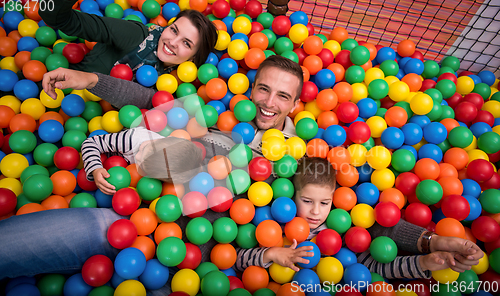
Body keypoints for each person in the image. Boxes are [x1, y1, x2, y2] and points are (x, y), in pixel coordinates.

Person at [0, 56, 482, 288]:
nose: (270, 103)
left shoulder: (306, 153)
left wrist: (429, 241)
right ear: (251, 90)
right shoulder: (228, 128)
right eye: (263, 90)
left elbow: (365, 220)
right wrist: (92, 80)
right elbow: (155, 104)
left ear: (298, 104)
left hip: (209, 264)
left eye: (283, 96)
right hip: (132, 224)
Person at [234, 157, 478, 281]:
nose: (316, 212)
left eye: (324, 203)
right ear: (291, 195)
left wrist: (423, 264)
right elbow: (238, 258)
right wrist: (273, 254)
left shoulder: (341, 231)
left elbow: (374, 268)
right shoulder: (274, 226)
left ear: (334, 200)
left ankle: (435, 242)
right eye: (307, 201)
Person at [39, 0, 217, 109]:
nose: (172, 42)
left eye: (186, 43)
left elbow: (148, 101)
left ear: (194, 58)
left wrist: (92, 80)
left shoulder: (180, 85)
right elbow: (58, 18)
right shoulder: (137, 35)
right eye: (173, 30)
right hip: (55, 95)